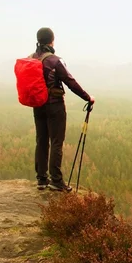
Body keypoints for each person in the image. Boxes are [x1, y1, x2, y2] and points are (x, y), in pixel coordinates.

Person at [32, 27, 95, 192]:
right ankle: (56, 180)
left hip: (37, 105)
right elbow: (70, 82)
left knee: (41, 140)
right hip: (54, 105)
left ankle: (41, 179)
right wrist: (88, 97)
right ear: (52, 40)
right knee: (56, 142)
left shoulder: (31, 59)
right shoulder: (54, 61)